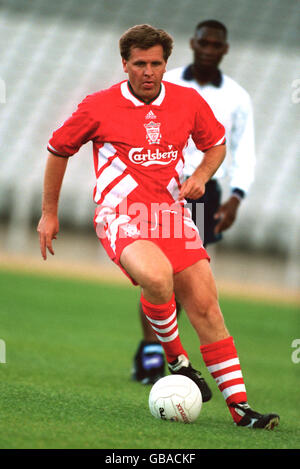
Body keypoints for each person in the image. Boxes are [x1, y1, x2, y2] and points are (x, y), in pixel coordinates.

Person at [37, 24, 279, 429]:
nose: (148, 71)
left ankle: (241, 409)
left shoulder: (187, 101)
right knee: (157, 276)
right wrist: (49, 212)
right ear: (124, 64)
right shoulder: (99, 106)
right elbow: (57, 148)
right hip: (120, 215)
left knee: (207, 309)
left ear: (166, 63)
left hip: (172, 217)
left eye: (155, 63)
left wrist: (202, 173)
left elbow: (217, 143)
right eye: (139, 64)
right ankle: (178, 360)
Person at [132, 19, 256, 386]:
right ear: (193, 43)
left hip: (205, 192)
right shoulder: (167, 85)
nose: (209, 49)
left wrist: (237, 196)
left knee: (186, 279)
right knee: (156, 275)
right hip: (160, 187)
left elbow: (242, 150)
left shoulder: (237, 97)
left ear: (224, 50)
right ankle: (152, 352)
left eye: (216, 44)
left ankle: (161, 353)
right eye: (203, 42)